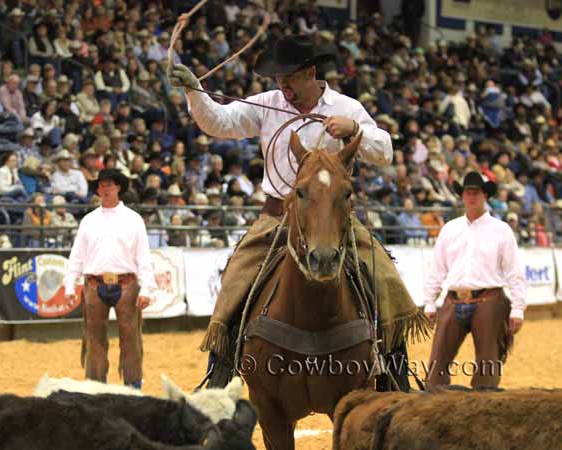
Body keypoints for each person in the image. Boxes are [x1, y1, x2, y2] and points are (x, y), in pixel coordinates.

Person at [169, 34, 428, 390]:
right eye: (279, 81)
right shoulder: (266, 103)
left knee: (385, 277)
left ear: (310, 72)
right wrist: (195, 93)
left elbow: (383, 151)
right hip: (277, 217)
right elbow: (220, 122)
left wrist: (355, 130)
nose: (283, 88)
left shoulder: (346, 107)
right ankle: (221, 368)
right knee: (235, 279)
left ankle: (396, 375)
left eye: (289, 79)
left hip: (332, 220)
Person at [423, 172, 526, 389]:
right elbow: (437, 268)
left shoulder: (501, 230)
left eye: (476, 192)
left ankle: (483, 411)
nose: (471, 196)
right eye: (467, 192)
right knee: (435, 368)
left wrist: (518, 308)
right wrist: (430, 301)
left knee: (487, 367)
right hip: (453, 299)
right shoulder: (450, 229)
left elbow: (514, 271)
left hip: (490, 300)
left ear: (484, 195)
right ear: (462, 196)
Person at [63, 169, 157, 388]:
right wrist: (70, 284)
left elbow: (143, 256)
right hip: (94, 284)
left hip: (126, 284)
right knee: (94, 339)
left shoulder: (134, 220)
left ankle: (133, 385)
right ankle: (96, 386)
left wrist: (147, 290)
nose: (103, 189)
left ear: (118, 188)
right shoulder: (88, 221)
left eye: (108, 185)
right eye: (100, 185)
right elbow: (77, 255)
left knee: (131, 337)